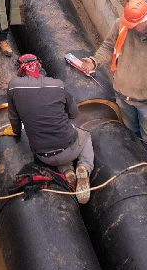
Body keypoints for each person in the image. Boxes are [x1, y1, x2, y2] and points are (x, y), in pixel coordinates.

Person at [72, 0, 147, 166]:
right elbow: (107, 46)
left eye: (133, 24)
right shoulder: (121, 25)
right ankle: (135, 164)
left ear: (144, 20)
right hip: (123, 95)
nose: (128, 26)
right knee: (131, 133)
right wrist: (94, 61)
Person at [7, 53, 92, 204]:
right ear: (40, 67)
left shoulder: (13, 86)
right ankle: (84, 167)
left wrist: (16, 133)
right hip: (69, 147)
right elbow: (73, 114)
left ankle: (67, 171)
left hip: (43, 156)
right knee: (84, 135)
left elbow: (14, 118)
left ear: (21, 69)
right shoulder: (58, 84)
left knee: (53, 143)